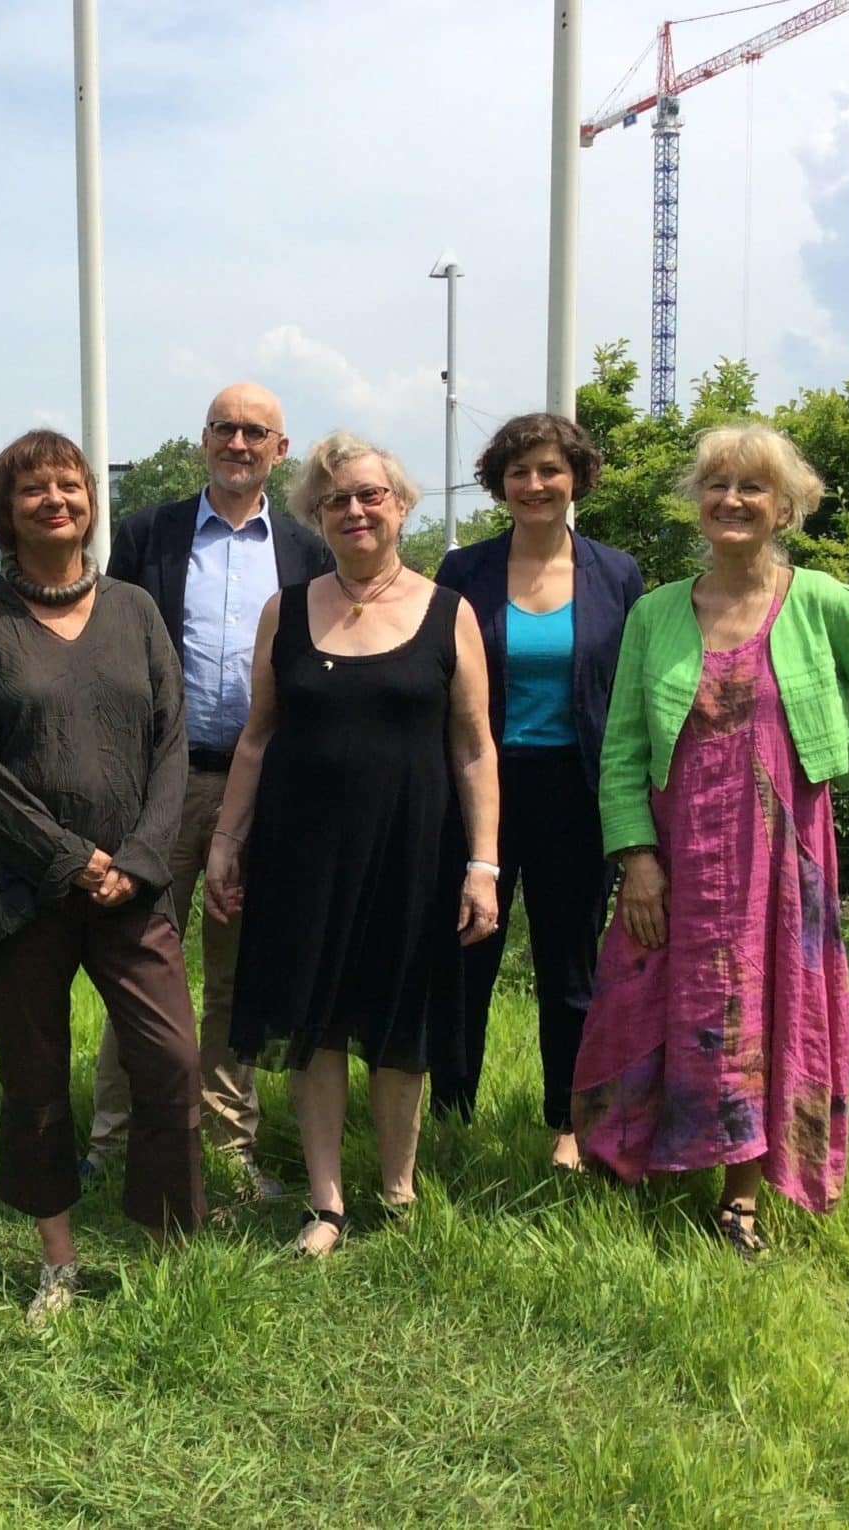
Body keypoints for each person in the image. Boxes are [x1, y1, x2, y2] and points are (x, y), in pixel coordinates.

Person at [573, 424, 849, 1257]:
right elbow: (622, 747)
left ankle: (739, 1194)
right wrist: (636, 860)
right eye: (717, 486)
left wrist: (823, 757)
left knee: (761, 1011)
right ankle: (636, 1158)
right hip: (674, 855)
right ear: (697, 504)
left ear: (786, 507)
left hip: (780, 857)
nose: (732, 501)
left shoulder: (824, 602)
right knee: (639, 996)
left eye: (753, 489)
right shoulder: (658, 611)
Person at [205, 432, 499, 1256]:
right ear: (317, 516)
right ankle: (327, 1202)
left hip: (414, 847)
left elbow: (475, 747)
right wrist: (228, 842)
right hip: (302, 852)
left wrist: (483, 863)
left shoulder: (450, 612)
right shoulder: (285, 610)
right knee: (315, 1021)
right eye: (337, 500)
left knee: (398, 1018)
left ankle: (399, 1190)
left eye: (371, 494)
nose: (356, 510)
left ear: (401, 505)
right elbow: (258, 738)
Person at [0, 429, 206, 1324]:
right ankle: (58, 1256)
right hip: (22, 894)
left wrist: (134, 861)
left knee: (170, 1063)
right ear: (7, 514)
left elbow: (171, 745)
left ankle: (166, 1244)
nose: (56, 500)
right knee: (36, 1077)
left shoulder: (134, 610)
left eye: (70, 485)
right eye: (33, 490)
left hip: (134, 890)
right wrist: (65, 858)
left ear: (92, 502)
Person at [83, 382, 334, 1200]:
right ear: (203, 439)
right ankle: (115, 1137)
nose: (237, 442)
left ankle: (229, 1145)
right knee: (137, 961)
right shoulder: (148, 533)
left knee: (236, 975)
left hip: (262, 792)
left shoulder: (306, 550)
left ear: (279, 450)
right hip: (162, 785)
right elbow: (117, 649)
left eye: (255, 431)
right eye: (224, 427)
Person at [430, 414, 643, 1170]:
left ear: (576, 477)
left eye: (550, 470)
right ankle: (450, 1116)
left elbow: (630, 694)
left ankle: (569, 1122)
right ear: (500, 484)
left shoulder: (617, 574)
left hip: (579, 795)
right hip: (478, 791)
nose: (534, 485)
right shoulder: (464, 573)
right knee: (463, 959)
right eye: (519, 473)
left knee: (571, 965)